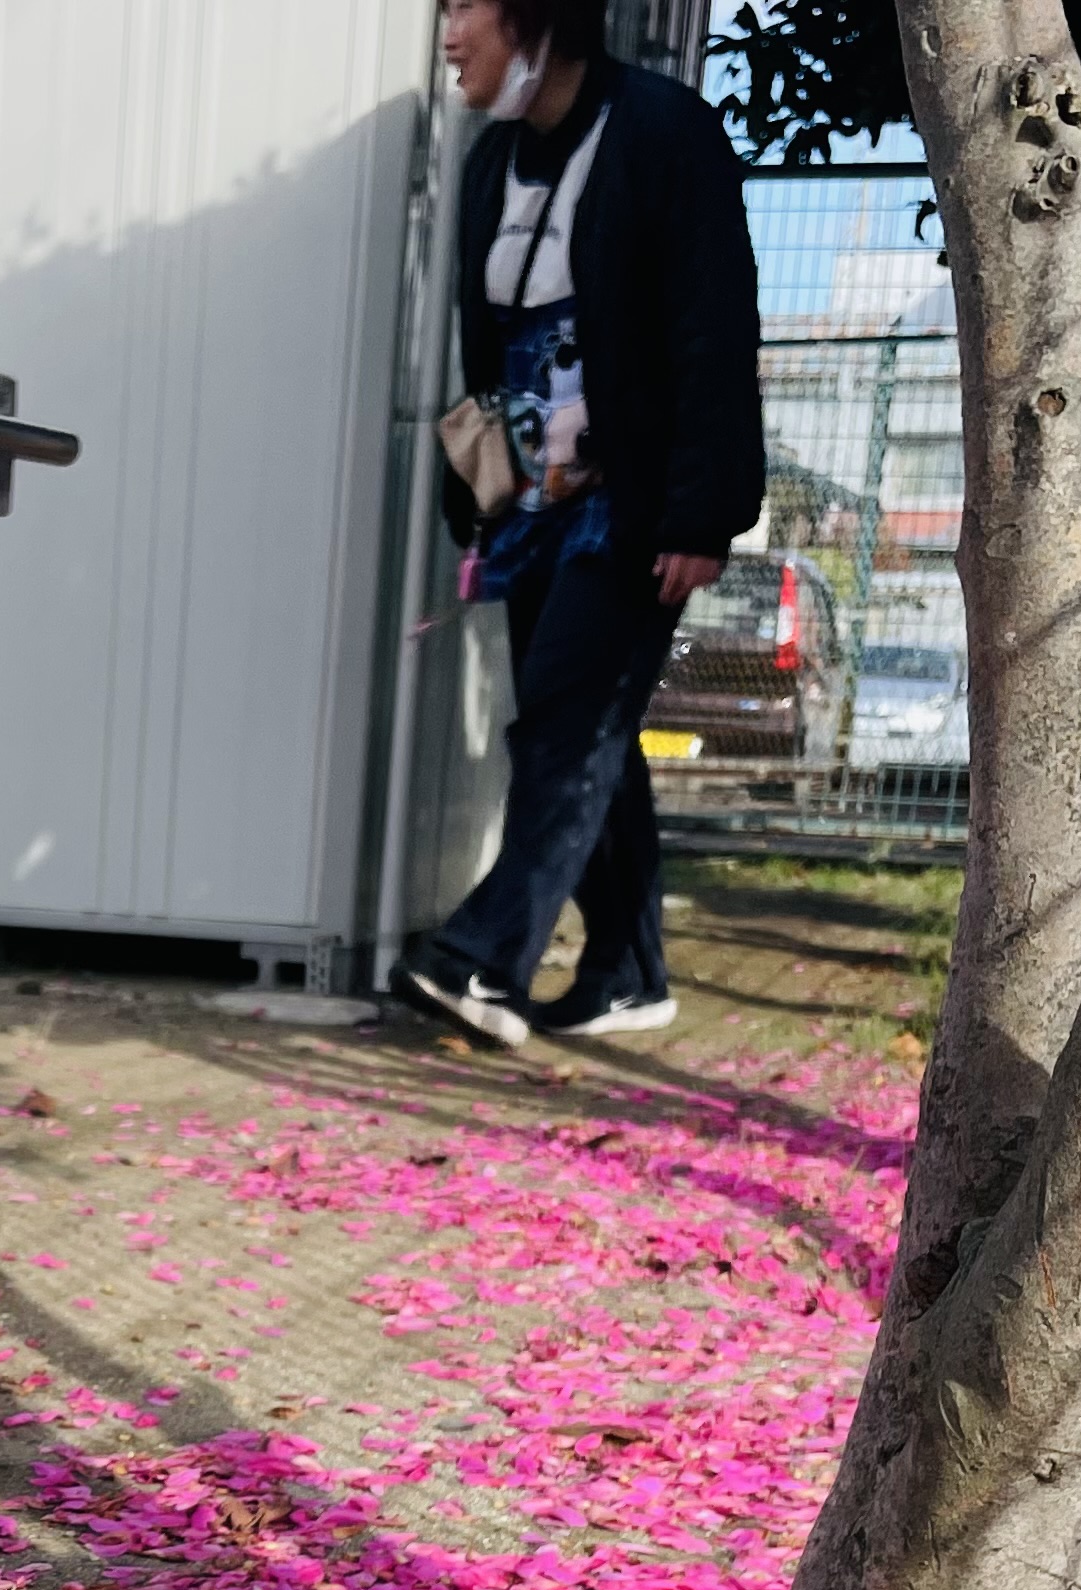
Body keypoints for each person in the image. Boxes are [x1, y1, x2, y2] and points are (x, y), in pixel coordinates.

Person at [398, 0, 763, 1049]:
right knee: (590, 727)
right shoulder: (491, 163)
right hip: (533, 511)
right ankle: (627, 973)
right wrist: (479, 497)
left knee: (566, 724)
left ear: (536, 13)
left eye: (465, 5)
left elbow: (714, 329)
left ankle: (484, 960)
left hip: (635, 509)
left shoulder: (663, 131)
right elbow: (488, 349)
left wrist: (702, 513)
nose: (448, 34)